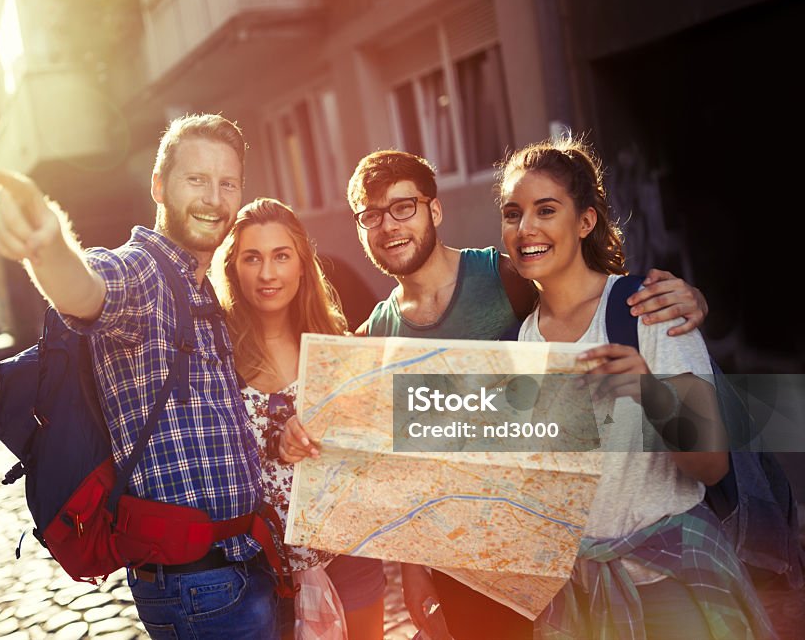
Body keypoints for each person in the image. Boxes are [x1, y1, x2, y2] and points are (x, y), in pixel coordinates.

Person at [279, 149, 712, 639]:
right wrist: (415, 566)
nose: (389, 225)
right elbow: (389, 454)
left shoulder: (508, 279)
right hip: (482, 560)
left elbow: (584, 295)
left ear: (434, 210)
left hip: (581, 555)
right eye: (371, 215)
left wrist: (688, 301)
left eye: (404, 207)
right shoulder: (378, 333)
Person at [0, 114, 278, 639]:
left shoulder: (203, 289)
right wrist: (46, 247)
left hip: (236, 568)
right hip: (197, 585)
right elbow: (87, 289)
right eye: (196, 180)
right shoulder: (143, 273)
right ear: (159, 186)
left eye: (226, 183)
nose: (213, 197)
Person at [498, 135, 773, 639]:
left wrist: (650, 391)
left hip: (672, 587)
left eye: (546, 210)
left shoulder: (647, 308)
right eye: (512, 213)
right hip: (580, 598)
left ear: (585, 222)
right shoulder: (522, 340)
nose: (526, 228)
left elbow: (710, 463)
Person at [213, 197, 351, 639]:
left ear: (302, 265)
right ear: (233, 267)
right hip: (256, 584)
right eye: (252, 257)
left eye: (281, 256)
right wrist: (273, 444)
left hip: (349, 564)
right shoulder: (213, 358)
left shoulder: (337, 347)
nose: (268, 273)